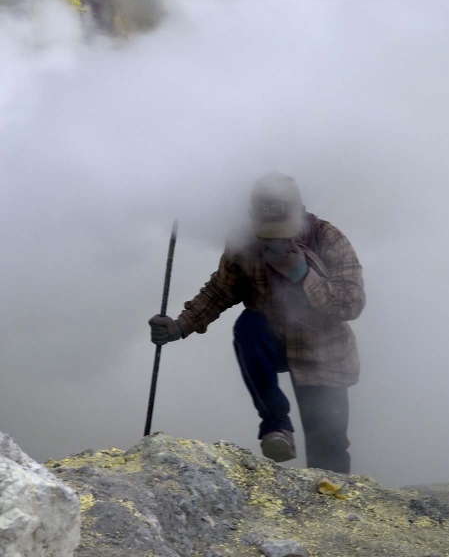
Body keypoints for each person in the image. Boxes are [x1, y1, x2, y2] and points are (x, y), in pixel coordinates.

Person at [149, 173, 365, 474]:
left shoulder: (328, 238)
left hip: (324, 351)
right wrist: (180, 326)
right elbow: (221, 290)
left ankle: (332, 503)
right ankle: (276, 426)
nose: (275, 238)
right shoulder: (244, 242)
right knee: (248, 326)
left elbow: (352, 303)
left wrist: (303, 273)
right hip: (271, 340)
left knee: (327, 442)